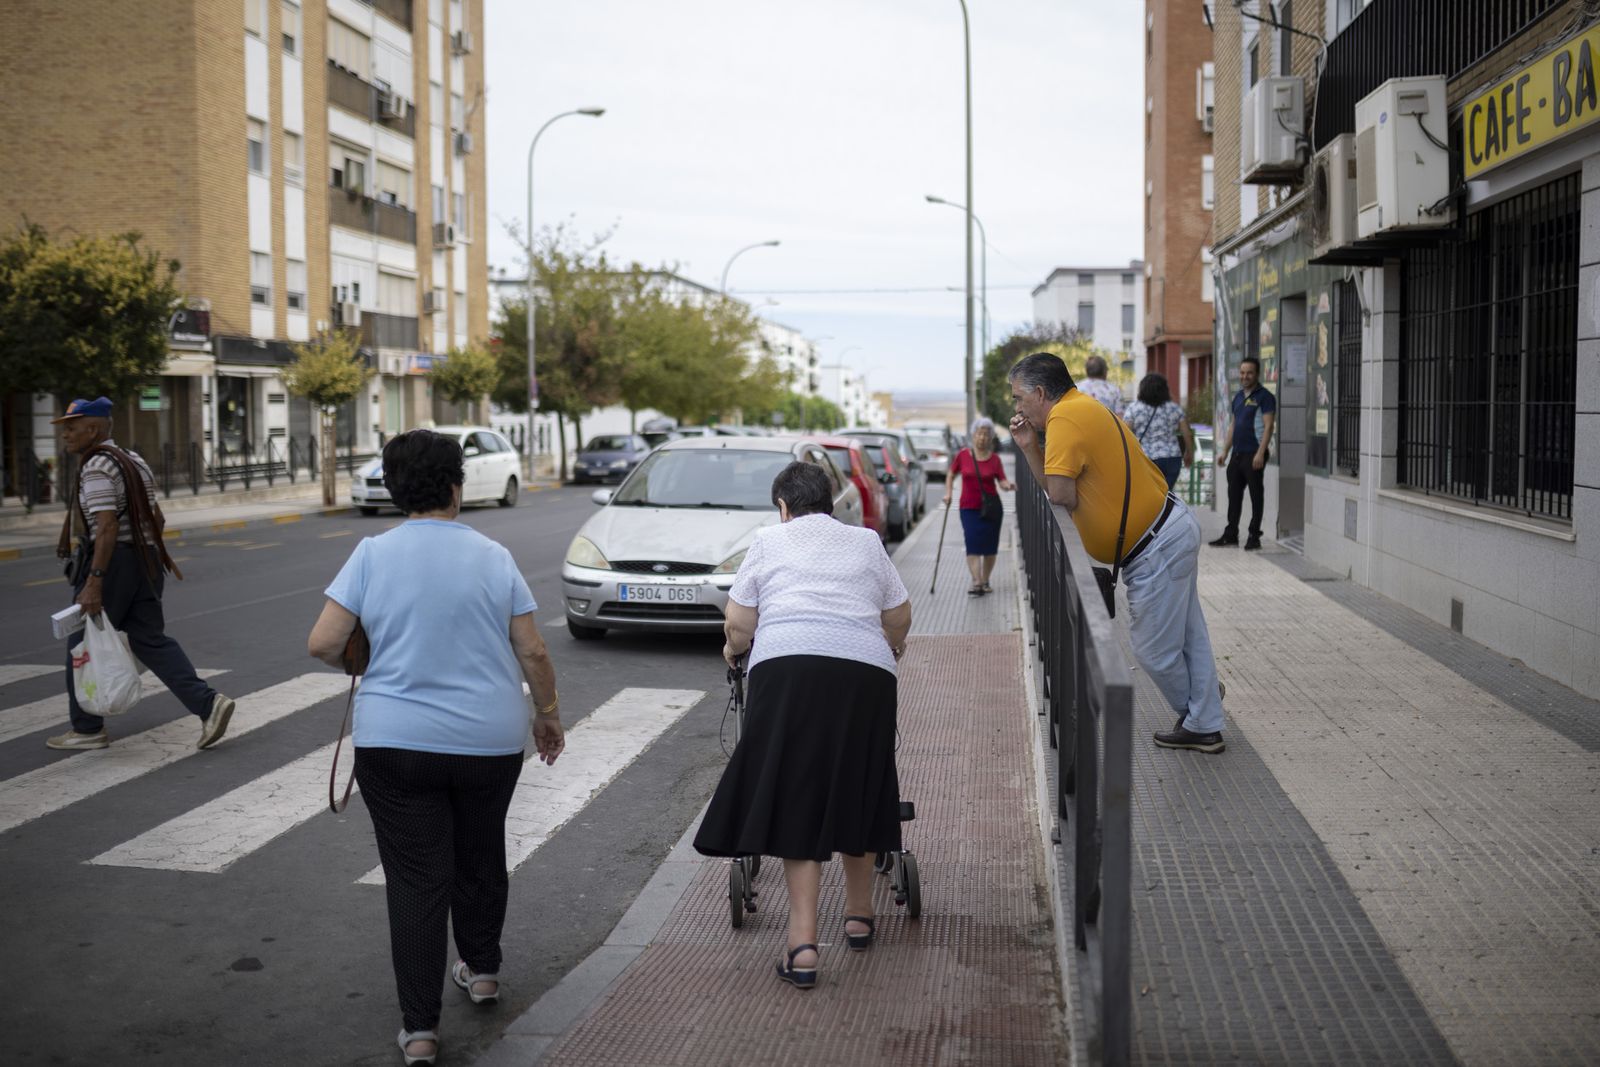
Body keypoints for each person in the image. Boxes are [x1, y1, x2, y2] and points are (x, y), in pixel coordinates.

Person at [307, 429, 565, 1067]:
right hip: (488, 741)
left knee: (417, 879)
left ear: (395, 490)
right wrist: (549, 716)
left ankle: (420, 1029)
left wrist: (365, 650)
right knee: (481, 851)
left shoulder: (371, 554)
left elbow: (322, 642)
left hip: (395, 743)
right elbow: (532, 649)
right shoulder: (493, 555)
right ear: (457, 484)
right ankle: (481, 971)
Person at [694, 461, 912, 990]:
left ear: (784, 507)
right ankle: (859, 916)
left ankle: (803, 944)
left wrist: (731, 649)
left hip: (789, 671)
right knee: (860, 781)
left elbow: (740, 622)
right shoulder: (865, 542)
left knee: (797, 795)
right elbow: (899, 615)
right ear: (832, 503)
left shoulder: (770, 541)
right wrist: (886, 649)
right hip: (866, 674)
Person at [1008, 353, 1226, 755]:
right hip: (1167, 530)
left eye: (1019, 397)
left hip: (1156, 544)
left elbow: (1060, 494)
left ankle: (1200, 713)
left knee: (1153, 650)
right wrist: (1028, 446)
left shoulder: (1063, 420)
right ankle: (1206, 712)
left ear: (1040, 392)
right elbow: (1061, 488)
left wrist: (1033, 448)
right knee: (1191, 635)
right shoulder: (1081, 407)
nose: (1017, 407)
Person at [47, 397, 235, 752]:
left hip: (113, 563)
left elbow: (105, 527)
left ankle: (87, 729)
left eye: (71, 427)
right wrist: (141, 555)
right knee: (150, 639)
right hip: (146, 560)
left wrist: (95, 581)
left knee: (81, 641)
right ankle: (209, 704)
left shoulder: (97, 466)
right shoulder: (134, 460)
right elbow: (157, 519)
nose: (65, 435)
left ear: (94, 428)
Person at [942, 416, 1015, 595]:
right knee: (972, 543)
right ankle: (976, 581)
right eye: (979, 434)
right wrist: (948, 493)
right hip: (968, 507)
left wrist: (1008, 485)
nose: (982, 438)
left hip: (991, 509)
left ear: (990, 438)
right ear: (973, 435)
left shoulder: (995, 460)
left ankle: (985, 579)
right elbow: (951, 474)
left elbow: (1002, 480)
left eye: (986, 434)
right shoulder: (963, 455)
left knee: (990, 546)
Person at [1210, 356, 1276, 551]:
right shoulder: (1238, 397)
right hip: (1237, 455)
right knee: (1234, 495)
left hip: (1254, 455)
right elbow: (1232, 426)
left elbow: (1269, 426)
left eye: (1249, 373)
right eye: (1242, 372)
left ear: (1257, 374)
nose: (1245, 376)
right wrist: (1224, 451)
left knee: (1256, 496)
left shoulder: (1265, 397)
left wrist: (1260, 452)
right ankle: (1231, 534)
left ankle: (1254, 536)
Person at [1122, 373, 1195, 491]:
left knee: (1149, 494)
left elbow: (1125, 433)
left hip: (1146, 458)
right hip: (1172, 457)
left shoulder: (1134, 408)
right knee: (1166, 494)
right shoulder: (1174, 408)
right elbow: (1187, 433)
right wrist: (1189, 453)